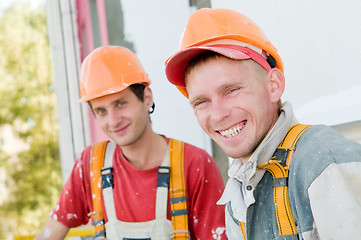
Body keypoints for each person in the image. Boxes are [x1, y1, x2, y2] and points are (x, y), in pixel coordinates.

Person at [165, 8, 361, 240]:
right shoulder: (238, 194)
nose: (217, 115)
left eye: (232, 90)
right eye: (202, 102)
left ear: (273, 85)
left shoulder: (324, 164)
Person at [35, 45, 227, 240]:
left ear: (147, 98)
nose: (113, 121)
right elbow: (48, 235)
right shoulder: (90, 165)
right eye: (101, 111)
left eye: (120, 103)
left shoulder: (194, 165)